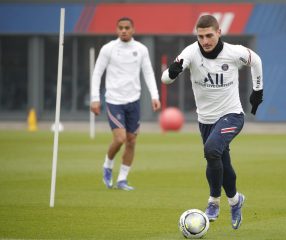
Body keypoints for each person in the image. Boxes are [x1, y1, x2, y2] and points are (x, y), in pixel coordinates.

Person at [161, 15, 263, 229]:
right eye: (201, 36)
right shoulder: (190, 52)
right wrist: (172, 72)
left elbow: (256, 60)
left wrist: (258, 89)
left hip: (232, 115)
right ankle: (235, 201)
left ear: (219, 33)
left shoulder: (234, 52)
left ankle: (214, 202)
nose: (205, 41)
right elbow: (166, 79)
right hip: (205, 120)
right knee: (221, 161)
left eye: (209, 35)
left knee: (211, 150)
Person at [91, 17, 161, 191]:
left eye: (127, 27)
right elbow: (97, 73)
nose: (123, 30)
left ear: (133, 30)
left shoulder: (141, 49)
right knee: (120, 138)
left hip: (134, 101)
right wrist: (95, 98)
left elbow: (148, 73)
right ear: (116, 30)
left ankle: (122, 179)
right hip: (114, 100)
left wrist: (155, 95)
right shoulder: (108, 49)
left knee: (131, 141)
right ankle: (107, 165)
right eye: (120, 28)